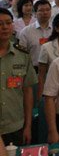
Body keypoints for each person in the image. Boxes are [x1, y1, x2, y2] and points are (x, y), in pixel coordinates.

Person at [0, 8, 36, 146]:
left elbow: (27, 92)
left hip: (15, 126)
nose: (4, 27)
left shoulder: (22, 54)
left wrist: (28, 126)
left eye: (8, 23)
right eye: (0, 24)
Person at [17, 0, 52, 69]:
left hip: (52, 68)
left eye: (48, 10)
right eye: (41, 10)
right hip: (33, 69)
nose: (45, 12)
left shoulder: (56, 30)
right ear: (35, 13)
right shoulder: (26, 32)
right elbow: (21, 54)